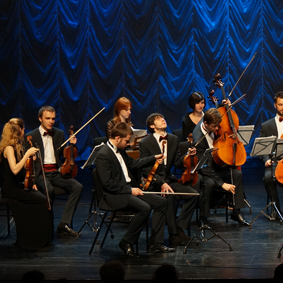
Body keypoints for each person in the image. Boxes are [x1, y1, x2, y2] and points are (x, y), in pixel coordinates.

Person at [95, 122, 174, 256]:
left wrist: (154, 158)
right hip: (114, 195)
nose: (128, 144)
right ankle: (126, 241)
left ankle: (155, 243)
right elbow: (107, 183)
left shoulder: (120, 149)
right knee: (144, 208)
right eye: (126, 141)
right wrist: (130, 190)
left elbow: (133, 163)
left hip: (127, 190)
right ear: (118, 138)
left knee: (162, 202)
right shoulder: (103, 154)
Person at [140, 113, 197, 246]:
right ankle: (173, 234)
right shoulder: (145, 143)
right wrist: (162, 183)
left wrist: (187, 156)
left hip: (169, 179)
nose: (163, 119)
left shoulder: (173, 139)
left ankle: (179, 227)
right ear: (152, 126)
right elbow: (146, 170)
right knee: (168, 196)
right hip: (155, 181)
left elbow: (177, 162)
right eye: (158, 119)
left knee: (193, 194)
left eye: (163, 118)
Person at [0, 118, 53, 249]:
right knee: (42, 201)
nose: (24, 132)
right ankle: (35, 240)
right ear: (19, 131)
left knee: (43, 198)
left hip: (18, 186)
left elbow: (22, 171)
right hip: (11, 189)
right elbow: (15, 170)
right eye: (23, 129)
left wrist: (30, 179)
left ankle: (37, 237)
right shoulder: (9, 148)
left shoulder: (16, 147)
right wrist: (27, 154)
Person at [27, 106, 83, 237]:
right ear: (40, 119)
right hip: (41, 173)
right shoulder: (31, 136)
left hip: (56, 172)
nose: (51, 121)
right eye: (48, 118)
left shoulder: (59, 133)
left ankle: (64, 224)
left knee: (77, 187)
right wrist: (32, 181)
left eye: (53, 118)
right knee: (49, 190)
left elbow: (65, 154)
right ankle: (47, 224)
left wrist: (72, 145)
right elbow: (27, 162)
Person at [192, 108, 250, 227]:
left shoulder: (212, 124)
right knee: (209, 183)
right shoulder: (198, 139)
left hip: (217, 166)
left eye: (218, 125)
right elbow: (204, 167)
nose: (217, 129)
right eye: (214, 126)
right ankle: (203, 217)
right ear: (205, 123)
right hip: (204, 171)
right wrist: (222, 184)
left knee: (237, 174)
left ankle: (236, 212)